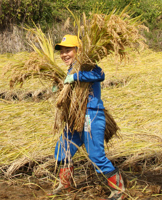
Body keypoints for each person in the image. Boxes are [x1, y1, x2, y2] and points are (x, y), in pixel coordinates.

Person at [50, 35, 125, 200]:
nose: (64, 54)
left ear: (79, 50)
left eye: (68, 50)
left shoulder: (87, 65)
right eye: (62, 51)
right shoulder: (71, 69)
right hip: (75, 117)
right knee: (63, 149)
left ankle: (118, 190)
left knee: (96, 156)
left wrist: (75, 77)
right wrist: (62, 87)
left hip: (91, 115)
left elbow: (100, 75)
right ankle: (65, 184)